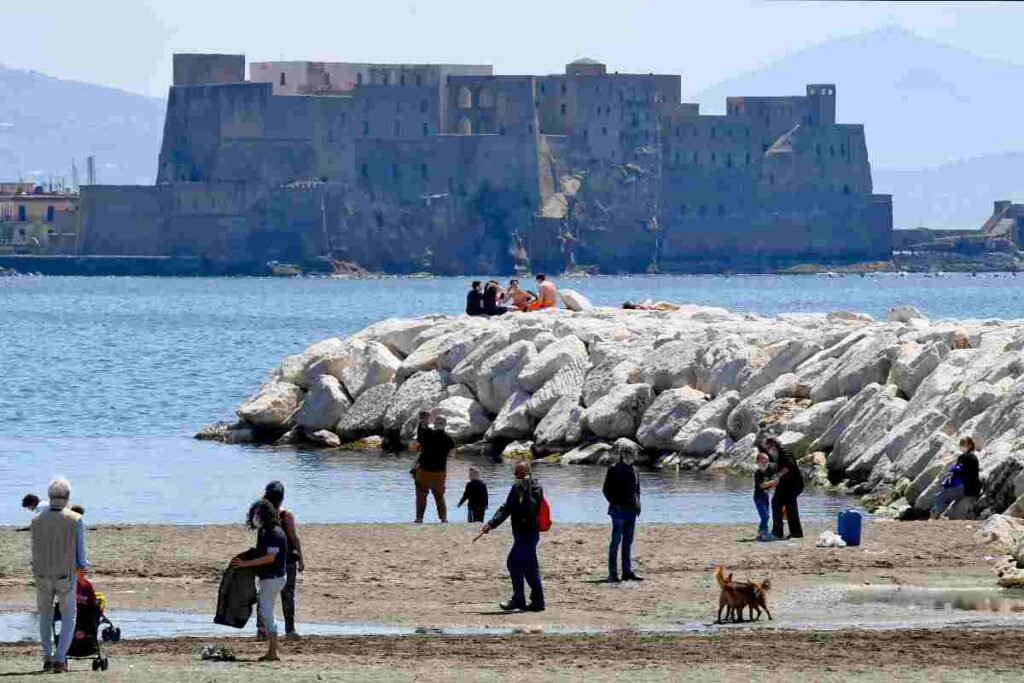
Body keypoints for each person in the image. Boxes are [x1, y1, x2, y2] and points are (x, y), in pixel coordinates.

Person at [30, 477, 88, 673]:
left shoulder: (36, 518)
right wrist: (82, 571)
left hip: (42, 574)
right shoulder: (75, 519)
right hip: (65, 575)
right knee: (69, 616)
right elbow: (81, 554)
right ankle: (60, 658)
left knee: (45, 616)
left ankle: (47, 656)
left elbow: (35, 549)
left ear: (50, 495)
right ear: (68, 496)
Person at [480, 462, 545, 612]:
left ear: (528, 473)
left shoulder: (535, 488)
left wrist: (526, 490)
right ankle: (538, 602)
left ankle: (518, 599)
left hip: (529, 534)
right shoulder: (516, 488)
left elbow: (531, 511)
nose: (517, 476)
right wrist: (491, 524)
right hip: (519, 534)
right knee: (530, 567)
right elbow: (507, 508)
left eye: (521, 474)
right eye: (516, 473)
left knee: (513, 563)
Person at [232, 499, 288, 662]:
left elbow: (270, 558)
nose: (255, 516)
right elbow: (261, 552)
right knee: (265, 611)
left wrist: (245, 563)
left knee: (266, 612)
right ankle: (272, 649)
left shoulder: (274, 533)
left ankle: (273, 651)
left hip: (274, 578)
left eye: (258, 513)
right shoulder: (263, 531)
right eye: (254, 513)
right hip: (268, 578)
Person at [256, 481, 305, 642]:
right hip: (286, 560)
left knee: (264, 594)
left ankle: (261, 629)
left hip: (266, 560)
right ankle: (289, 630)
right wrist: (301, 559)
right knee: (287, 594)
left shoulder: (261, 514)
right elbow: (293, 537)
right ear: (282, 497)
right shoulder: (286, 515)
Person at [603, 445, 642, 583]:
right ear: (622, 454)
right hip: (618, 510)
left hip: (632, 510)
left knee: (628, 542)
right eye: (629, 453)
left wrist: (638, 505)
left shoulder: (635, 469)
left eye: (634, 454)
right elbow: (606, 489)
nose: (632, 456)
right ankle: (612, 573)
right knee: (615, 542)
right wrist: (615, 503)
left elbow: (637, 490)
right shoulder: (613, 469)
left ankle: (627, 572)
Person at [412, 412, 454, 523]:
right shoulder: (449, 439)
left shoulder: (428, 434)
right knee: (440, 497)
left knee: (421, 496)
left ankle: (419, 518)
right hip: (439, 474)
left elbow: (421, 431)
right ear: (445, 425)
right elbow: (452, 454)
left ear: (435, 425)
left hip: (424, 472)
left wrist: (424, 420)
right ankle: (443, 519)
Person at [931, 436, 982, 519]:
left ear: (969, 445)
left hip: (966, 487)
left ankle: (934, 517)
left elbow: (968, 473)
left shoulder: (971, 457)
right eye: (960, 443)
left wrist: (956, 471)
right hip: (961, 485)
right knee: (942, 494)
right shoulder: (962, 457)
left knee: (940, 496)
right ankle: (937, 515)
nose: (961, 445)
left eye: (963, 443)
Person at [766, 436, 804, 540]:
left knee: (789, 507)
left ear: (773, 445)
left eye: (769, 447)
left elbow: (790, 465)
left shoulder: (784, 451)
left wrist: (778, 475)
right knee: (778, 504)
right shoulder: (778, 454)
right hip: (784, 485)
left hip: (792, 485)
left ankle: (789, 533)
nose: (768, 450)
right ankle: (784, 532)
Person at [754, 451, 777, 542]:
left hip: (765, 496)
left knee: (766, 516)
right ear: (758, 462)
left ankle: (761, 533)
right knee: (765, 516)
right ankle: (764, 532)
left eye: (767, 461)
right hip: (758, 497)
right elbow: (762, 485)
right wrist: (774, 482)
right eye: (763, 461)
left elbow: (772, 484)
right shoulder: (758, 473)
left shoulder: (768, 472)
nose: (766, 463)